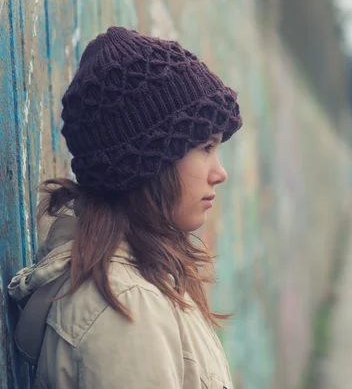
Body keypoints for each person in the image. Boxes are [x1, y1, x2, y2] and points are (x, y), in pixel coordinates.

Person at [8, 26, 242, 389]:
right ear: (149, 163)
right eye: (205, 148)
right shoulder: (126, 310)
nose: (220, 173)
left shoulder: (146, 280)